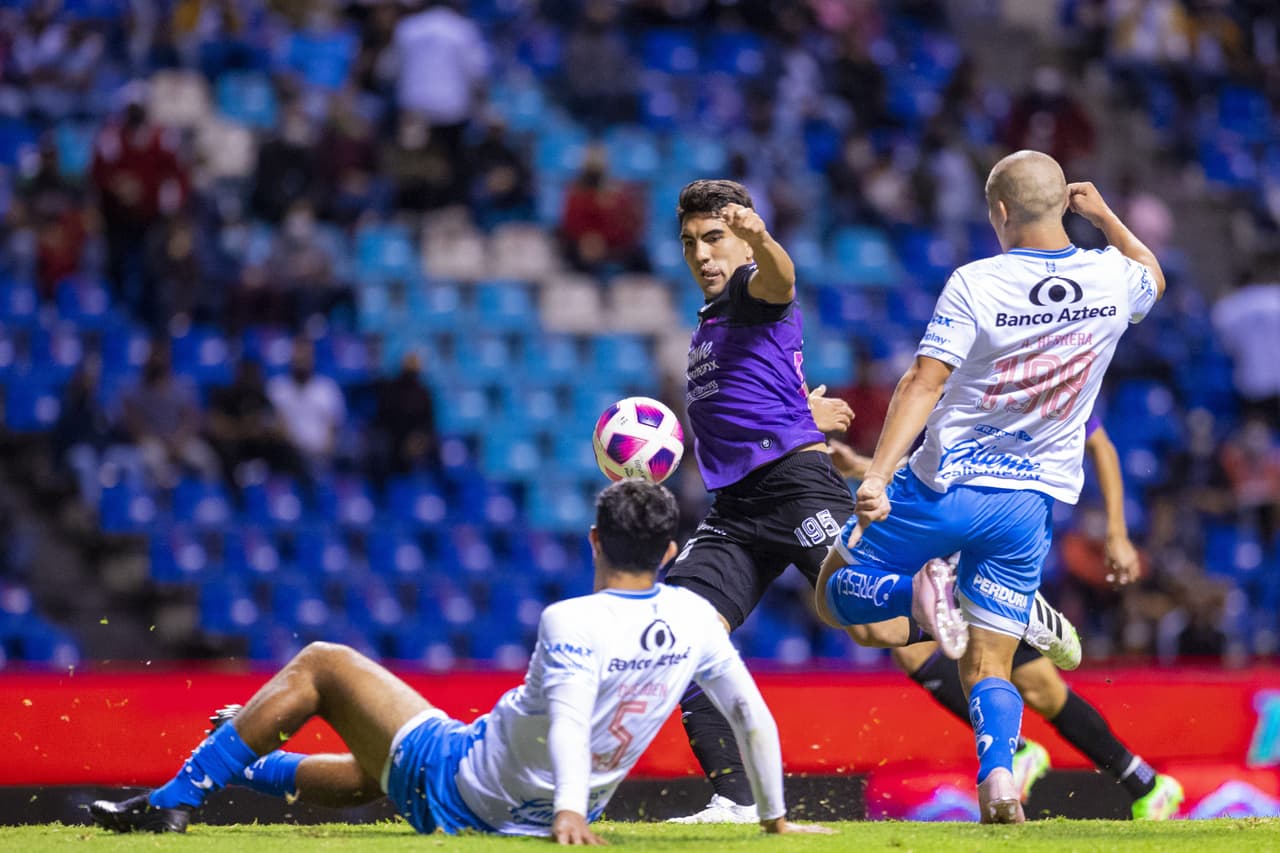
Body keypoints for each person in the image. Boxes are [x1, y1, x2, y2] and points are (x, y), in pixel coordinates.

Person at [661, 178, 1081, 824]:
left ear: (739, 240)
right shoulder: (713, 323)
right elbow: (754, 397)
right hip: (735, 510)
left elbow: (781, 277)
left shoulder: (752, 289)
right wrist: (803, 411)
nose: (702, 254)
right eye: (690, 242)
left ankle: (989, 602)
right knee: (683, 636)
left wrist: (760, 239)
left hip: (794, 490)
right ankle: (735, 801)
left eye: (714, 237)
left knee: (871, 626)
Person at [89, 480, 823, 840]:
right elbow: (750, 715)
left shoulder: (571, 617)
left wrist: (569, 809)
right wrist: (774, 817)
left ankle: (175, 799)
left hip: (462, 781)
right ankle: (239, 755)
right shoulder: (697, 615)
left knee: (323, 662)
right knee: (369, 773)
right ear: (670, 552)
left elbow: (569, 719)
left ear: (593, 541)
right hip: (516, 788)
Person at [816, 150, 1166, 823]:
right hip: (1026, 508)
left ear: (999, 213)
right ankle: (1000, 781)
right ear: (1064, 205)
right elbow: (1152, 271)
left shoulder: (978, 282)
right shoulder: (1112, 279)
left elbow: (924, 380)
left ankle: (921, 596)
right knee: (990, 662)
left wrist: (878, 475)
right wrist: (1103, 217)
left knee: (837, 599)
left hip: (943, 488)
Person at [884, 418, 1183, 820]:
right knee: (1042, 689)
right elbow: (923, 468)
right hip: (966, 529)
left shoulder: (1049, 381)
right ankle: (1145, 783)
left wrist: (1116, 532)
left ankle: (1019, 747)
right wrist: (868, 471)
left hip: (998, 533)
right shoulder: (968, 386)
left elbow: (1103, 447)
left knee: (917, 648)